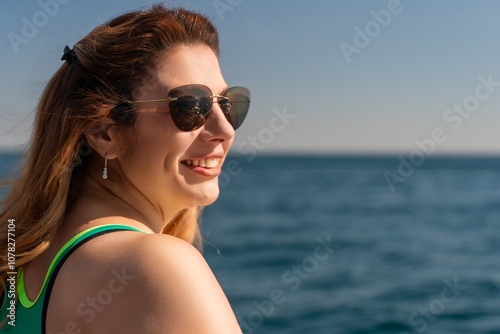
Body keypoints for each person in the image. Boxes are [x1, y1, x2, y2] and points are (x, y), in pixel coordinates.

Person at [0, 3, 250, 333]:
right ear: (105, 132)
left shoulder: (18, 266)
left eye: (226, 104)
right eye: (191, 106)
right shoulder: (159, 267)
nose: (226, 131)